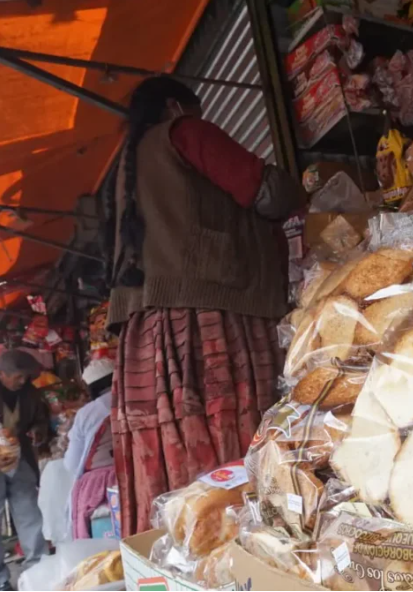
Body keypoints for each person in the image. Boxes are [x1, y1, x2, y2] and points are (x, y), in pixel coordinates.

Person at [107, 76, 304, 537]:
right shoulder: (184, 131)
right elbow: (270, 193)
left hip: (146, 340)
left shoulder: (125, 168)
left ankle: (189, 551)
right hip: (207, 317)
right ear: (177, 106)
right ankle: (255, 544)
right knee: (243, 434)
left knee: (175, 459)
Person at [0, 350, 48, 590]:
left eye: (25, 376)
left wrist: (37, 432)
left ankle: (38, 571)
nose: (22, 381)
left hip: (21, 461)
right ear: (2, 374)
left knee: (30, 515)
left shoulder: (30, 392)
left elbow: (41, 419)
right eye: (17, 376)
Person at [64, 358, 115, 539]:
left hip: (99, 485)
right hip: (137, 473)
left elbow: (72, 464)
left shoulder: (86, 413)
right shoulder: (136, 400)